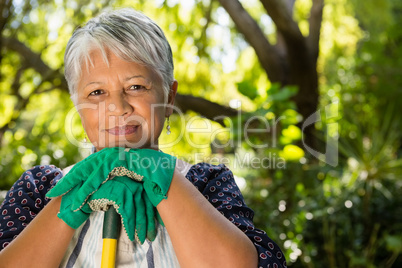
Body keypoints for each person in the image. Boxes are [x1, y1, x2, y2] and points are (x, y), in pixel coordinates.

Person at [0, 8, 286, 268]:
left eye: (136, 86)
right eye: (96, 93)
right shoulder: (40, 190)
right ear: (77, 106)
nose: (119, 108)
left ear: (169, 97)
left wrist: (159, 173)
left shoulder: (206, 184)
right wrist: (69, 203)